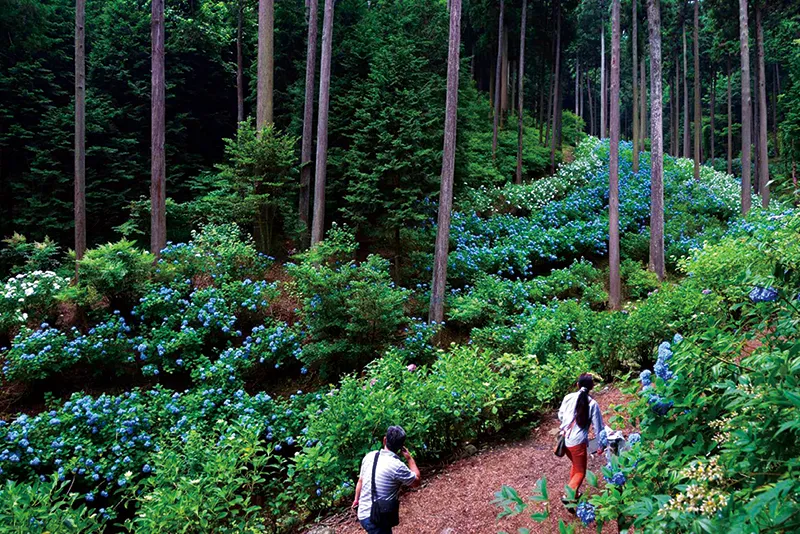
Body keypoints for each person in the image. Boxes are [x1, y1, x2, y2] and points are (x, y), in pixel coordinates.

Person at [352, 426, 421, 534]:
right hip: (376, 518)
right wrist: (409, 458)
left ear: (384, 440)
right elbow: (416, 482)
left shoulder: (370, 456)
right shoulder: (397, 466)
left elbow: (360, 481)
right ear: (401, 446)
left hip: (362, 513)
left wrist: (356, 500)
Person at [557, 373, 605, 506]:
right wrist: (601, 445)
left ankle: (575, 495)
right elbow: (598, 426)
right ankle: (569, 496)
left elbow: (560, 415)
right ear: (592, 387)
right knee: (580, 472)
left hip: (565, 439)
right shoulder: (593, 404)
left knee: (576, 466)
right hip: (578, 443)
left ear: (577, 385)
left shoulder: (568, 397)